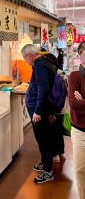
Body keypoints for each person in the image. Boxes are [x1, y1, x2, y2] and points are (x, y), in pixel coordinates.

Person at [22, 44, 59, 184]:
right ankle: (45, 163)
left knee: (43, 139)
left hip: (39, 108)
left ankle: (48, 171)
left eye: (24, 58)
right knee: (44, 138)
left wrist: (37, 110)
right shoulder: (46, 62)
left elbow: (43, 89)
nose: (25, 61)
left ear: (30, 55)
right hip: (43, 107)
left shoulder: (39, 65)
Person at [68, 41, 85, 199]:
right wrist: (78, 102)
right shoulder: (74, 76)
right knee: (80, 170)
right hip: (80, 131)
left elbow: (80, 103)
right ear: (79, 56)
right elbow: (73, 103)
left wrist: (83, 100)